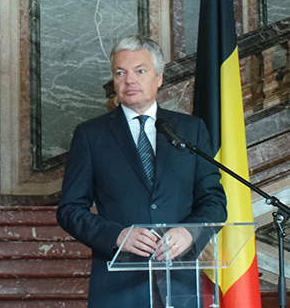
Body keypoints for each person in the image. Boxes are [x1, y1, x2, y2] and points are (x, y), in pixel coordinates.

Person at [56, 35, 227, 307]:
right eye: (120, 73)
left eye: (140, 71)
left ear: (159, 77)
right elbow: (70, 210)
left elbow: (214, 201)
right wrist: (117, 236)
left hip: (180, 285)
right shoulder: (91, 135)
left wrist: (189, 232)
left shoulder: (190, 129)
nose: (129, 80)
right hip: (118, 289)